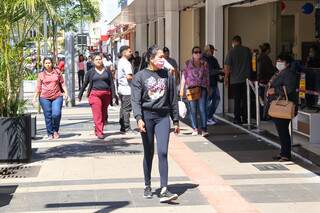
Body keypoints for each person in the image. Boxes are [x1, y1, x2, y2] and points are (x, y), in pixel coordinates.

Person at [131, 45, 180, 203]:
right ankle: (147, 184)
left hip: (163, 117)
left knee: (163, 152)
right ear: (150, 59)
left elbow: (173, 98)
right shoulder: (140, 76)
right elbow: (135, 100)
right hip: (146, 117)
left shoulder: (167, 75)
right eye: (160, 57)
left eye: (163, 57)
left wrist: (176, 119)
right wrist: (139, 118)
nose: (162, 60)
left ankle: (164, 189)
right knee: (149, 152)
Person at [266, 53, 298, 162]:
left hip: (284, 105)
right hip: (279, 104)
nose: (278, 63)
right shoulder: (280, 72)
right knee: (281, 131)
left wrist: (274, 90)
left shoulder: (289, 74)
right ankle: (283, 153)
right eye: (278, 60)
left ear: (287, 63)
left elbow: (289, 88)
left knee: (283, 131)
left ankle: (286, 155)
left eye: (281, 61)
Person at [78, 54, 113, 139]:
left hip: (106, 94)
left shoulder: (107, 71)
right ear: (93, 62)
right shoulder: (90, 72)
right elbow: (85, 83)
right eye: (96, 59)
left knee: (104, 115)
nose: (98, 61)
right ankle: (100, 132)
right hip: (94, 94)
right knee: (98, 114)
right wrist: (80, 94)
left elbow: (111, 84)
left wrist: (114, 95)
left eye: (100, 59)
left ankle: (97, 128)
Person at [33, 57, 68, 140]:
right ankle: (50, 133)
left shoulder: (57, 72)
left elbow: (62, 83)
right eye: (46, 63)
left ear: (52, 63)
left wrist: (66, 92)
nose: (48, 64)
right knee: (48, 115)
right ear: (43, 64)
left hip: (57, 96)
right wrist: (34, 97)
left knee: (56, 114)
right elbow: (38, 87)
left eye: (49, 63)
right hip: (44, 97)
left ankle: (55, 130)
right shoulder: (41, 75)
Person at [180, 46, 210, 137]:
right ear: (192, 54)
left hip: (202, 88)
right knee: (192, 110)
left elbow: (207, 76)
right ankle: (194, 128)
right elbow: (184, 76)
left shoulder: (204, 64)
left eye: (199, 52)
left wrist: (208, 88)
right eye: (196, 52)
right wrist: (182, 88)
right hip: (191, 89)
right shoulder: (188, 63)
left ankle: (204, 129)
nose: (198, 54)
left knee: (202, 109)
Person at [224, 35, 252, 124]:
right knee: (245, 99)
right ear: (240, 41)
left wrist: (226, 78)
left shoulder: (231, 51)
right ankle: (245, 118)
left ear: (234, 42)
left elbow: (227, 66)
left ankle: (237, 118)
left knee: (237, 99)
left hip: (235, 80)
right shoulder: (247, 50)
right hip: (246, 79)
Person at [202, 44, 222, 125]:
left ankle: (209, 116)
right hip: (207, 84)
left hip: (214, 83)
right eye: (212, 50)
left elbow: (217, 69)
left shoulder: (214, 59)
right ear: (207, 51)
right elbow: (209, 72)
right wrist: (220, 71)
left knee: (216, 100)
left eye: (213, 50)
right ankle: (206, 118)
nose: (213, 52)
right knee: (207, 102)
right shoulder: (203, 59)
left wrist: (221, 76)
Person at [117, 45, 134, 133]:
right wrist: (137, 79)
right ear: (124, 52)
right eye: (129, 51)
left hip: (121, 88)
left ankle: (122, 126)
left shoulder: (120, 61)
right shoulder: (126, 63)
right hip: (127, 89)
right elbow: (129, 76)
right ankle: (127, 127)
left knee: (123, 108)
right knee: (127, 109)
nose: (131, 53)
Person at [258, 43, 276, 120]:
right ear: (268, 49)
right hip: (265, 81)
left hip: (260, 80)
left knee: (261, 99)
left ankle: (261, 115)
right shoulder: (266, 58)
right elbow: (270, 70)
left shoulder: (259, 57)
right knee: (265, 99)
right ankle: (264, 116)